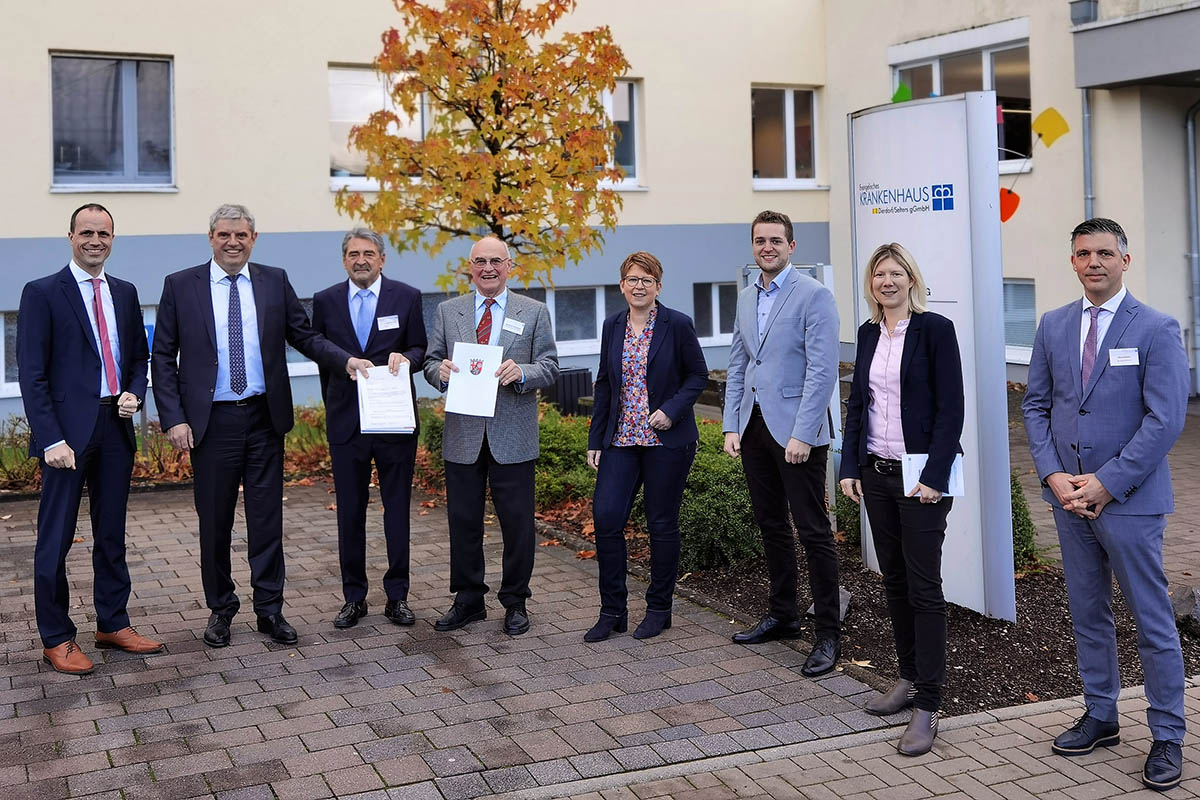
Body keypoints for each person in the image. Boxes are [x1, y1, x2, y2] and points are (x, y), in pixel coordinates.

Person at [151, 204, 374, 648]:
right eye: (224, 235)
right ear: (210, 237)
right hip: (211, 423)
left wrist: (345, 360)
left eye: (242, 235)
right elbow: (162, 355)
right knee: (214, 522)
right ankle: (221, 608)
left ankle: (270, 610)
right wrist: (174, 417)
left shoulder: (274, 280)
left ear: (254, 238)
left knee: (266, 520)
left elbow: (303, 336)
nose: (233, 242)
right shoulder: (180, 285)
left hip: (263, 418)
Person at [1023, 217, 1188, 792]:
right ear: (1072, 262)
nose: (1093, 262)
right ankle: (1101, 715)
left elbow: (1166, 419)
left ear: (1125, 259)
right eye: (1082, 253)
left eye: (1104, 253)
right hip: (1068, 499)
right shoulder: (1054, 324)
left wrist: (1107, 482)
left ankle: (1168, 735)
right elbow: (1036, 407)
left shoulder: (1158, 328)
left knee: (1152, 621)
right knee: (1088, 614)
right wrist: (1054, 476)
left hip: (1131, 502)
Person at [17, 203, 164, 674]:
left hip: (115, 428)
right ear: (71, 237)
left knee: (111, 534)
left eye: (104, 233)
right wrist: (50, 438)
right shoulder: (42, 293)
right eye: (87, 232)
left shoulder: (124, 291)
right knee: (55, 538)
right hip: (66, 438)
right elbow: (32, 374)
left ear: (113, 239)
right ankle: (56, 637)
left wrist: (135, 394)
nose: (95, 240)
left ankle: (112, 622)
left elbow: (139, 357)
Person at [838, 243, 963, 756]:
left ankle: (928, 704)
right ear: (872, 284)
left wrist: (934, 475)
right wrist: (850, 466)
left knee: (924, 587)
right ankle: (907, 677)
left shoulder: (935, 330)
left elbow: (951, 407)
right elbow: (857, 404)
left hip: (921, 479)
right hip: (878, 474)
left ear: (911, 279)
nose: (887, 281)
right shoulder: (869, 334)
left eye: (896, 273)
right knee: (893, 580)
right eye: (879, 275)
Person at [722, 210, 842, 678]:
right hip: (753, 428)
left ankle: (828, 634)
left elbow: (822, 371)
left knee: (814, 532)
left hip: (797, 433)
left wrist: (803, 434)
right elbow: (737, 363)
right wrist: (732, 424)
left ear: (792, 246)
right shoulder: (747, 295)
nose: (766, 247)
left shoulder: (814, 296)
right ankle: (784, 615)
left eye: (775, 240)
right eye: (759, 240)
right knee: (771, 525)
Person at [422, 236, 558, 635]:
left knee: (517, 524)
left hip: (512, 436)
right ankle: (468, 600)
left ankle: (515, 601)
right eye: (480, 261)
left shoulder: (532, 312)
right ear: (470, 267)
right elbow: (431, 362)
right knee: (463, 522)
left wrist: (524, 373)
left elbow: (550, 365)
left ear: (510, 266)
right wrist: (439, 374)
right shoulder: (448, 312)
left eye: (496, 261)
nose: (488, 268)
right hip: (463, 435)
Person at [584, 251, 708, 642]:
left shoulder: (678, 325)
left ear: (658, 286)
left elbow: (697, 375)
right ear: (622, 285)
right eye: (632, 279)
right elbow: (605, 383)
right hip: (621, 439)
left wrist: (671, 411)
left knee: (660, 524)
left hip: (665, 441)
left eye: (647, 279)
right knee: (606, 518)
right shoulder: (613, 325)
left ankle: (659, 609)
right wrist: (596, 439)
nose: (639, 286)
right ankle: (612, 611)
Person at [311, 229, 427, 629]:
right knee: (350, 512)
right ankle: (354, 597)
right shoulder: (325, 301)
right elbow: (319, 351)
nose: (362, 260)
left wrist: (405, 357)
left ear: (382, 259)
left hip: (394, 420)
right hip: (347, 422)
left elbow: (420, 348)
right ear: (344, 260)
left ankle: (398, 596)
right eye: (354, 254)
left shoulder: (407, 296)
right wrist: (344, 362)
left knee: (396, 510)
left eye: (369, 253)